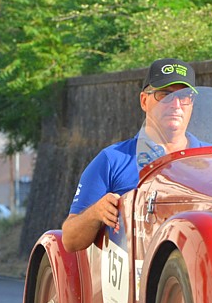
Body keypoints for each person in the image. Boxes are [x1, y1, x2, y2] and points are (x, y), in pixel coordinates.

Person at [62, 58, 200, 252]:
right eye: (165, 95)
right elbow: (69, 240)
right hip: (134, 276)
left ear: (192, 103)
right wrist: (95, 213)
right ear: (144, 101)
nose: (176, 104)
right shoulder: (112, 160)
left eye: (184, 96)